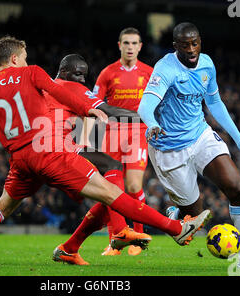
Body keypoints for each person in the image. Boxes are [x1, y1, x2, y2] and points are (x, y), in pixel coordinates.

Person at [0, 36, 211, 268]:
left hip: (19, 159)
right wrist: (90, 109)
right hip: (47, 151)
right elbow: (61, 94)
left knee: (2, 206)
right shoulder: (31, 73)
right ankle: (175, 228)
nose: (29, 61)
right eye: (26, 56)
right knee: (111, 191)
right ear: (16, 59)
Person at [138, 22, 240, 269]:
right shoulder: (165, 68)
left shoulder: (207, 64)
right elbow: (145, 105)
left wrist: (239, 140)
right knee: (196, 216)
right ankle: (178, 212)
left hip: (200, 136)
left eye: (195, 43)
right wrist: (152, 123)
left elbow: (215, 103)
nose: (191, 49)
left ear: (200, 42)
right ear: (176, 45)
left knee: (237, 187)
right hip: (169, 148)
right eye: (185, 45)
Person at [45, 54, 151, 264]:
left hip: (42, 150)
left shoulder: (47, 86)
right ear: (65, 72)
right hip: (59, 152)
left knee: (112, 191)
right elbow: (107, 111)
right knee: (114, 182)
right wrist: (147, 117)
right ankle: (125, 233)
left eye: (84, 75)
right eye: (79, 74)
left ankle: (76, 247)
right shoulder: (74, 87)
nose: (83, 80)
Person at [92, 27, 154, 256]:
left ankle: (139, 237)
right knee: (111, 190)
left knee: (133, 186)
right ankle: (114, 241)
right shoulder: (107, 73)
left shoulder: (149, 73)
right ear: (119, 45)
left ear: (140, 46)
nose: (130, 47)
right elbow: (93, 103)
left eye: (134, 43)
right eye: (126, 43)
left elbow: (159, 102)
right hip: (112, 134)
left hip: (138, 131)